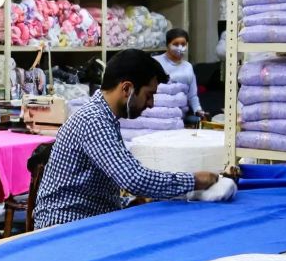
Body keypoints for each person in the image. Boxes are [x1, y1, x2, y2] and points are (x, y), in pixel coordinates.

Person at [34, 50, 222, 230]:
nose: (151, 104)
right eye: (149, 95)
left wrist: (128, 201)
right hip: (64, 226)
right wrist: (194, 180)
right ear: (127, 89)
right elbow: (133, 178)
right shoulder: (94, 120)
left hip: (86, 218)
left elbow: (100, 185)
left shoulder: (105, 118)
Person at [153, 28, 207, 123]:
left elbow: (192, 96)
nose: (180, 48)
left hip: (179, 117)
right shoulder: (155, 62)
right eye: (176, 44)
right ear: (167, 45)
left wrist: (198, 110)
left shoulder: (188, 67)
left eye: (183, 44)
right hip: (158, 116)